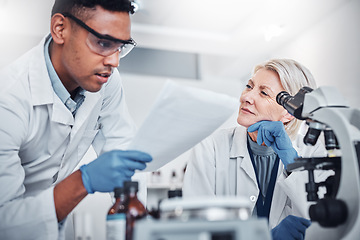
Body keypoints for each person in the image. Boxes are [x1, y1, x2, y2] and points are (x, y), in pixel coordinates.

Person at [0, 0, 152, 239]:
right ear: (60, 29)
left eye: (120, 47)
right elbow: (4, 221)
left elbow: (121, 147)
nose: (114, 61)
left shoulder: (107, 82)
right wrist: (84, 180)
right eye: (103, 43)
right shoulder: (7, 100)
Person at [183, 59, 331, 240]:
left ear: (288, 113)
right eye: (249, 86)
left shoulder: (312, 154)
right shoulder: (210, 148)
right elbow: (195, 231)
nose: (246, 97)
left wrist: (293, 164)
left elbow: (326, 224)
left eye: (263, 93)